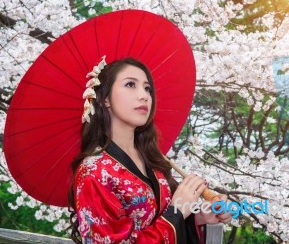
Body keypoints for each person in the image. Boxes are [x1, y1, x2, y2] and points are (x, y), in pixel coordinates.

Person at [68, 57, 232, 244]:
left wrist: (198, 218)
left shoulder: (151, 159)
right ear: (105, 99)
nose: (144, 95)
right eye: (130, 84)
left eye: (147, 88)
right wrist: (176, 212)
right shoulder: (93, 172)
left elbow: (156, 220)